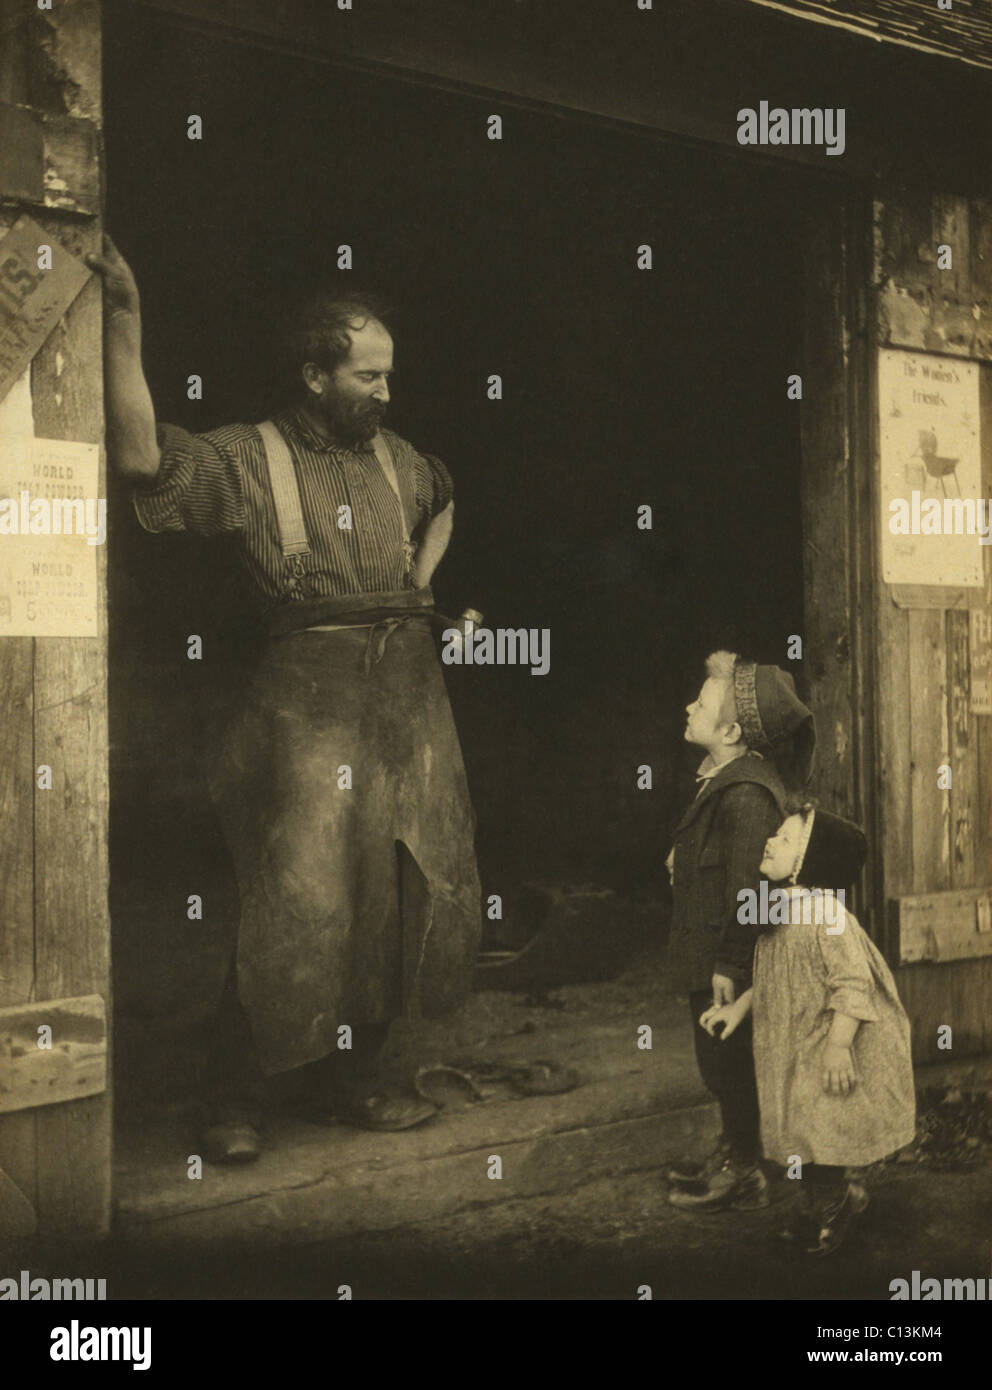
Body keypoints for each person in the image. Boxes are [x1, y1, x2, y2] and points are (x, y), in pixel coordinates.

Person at [88, 236, 482, 1162]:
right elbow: (143, 460)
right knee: (296, 897)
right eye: (369, 377)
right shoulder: (244, 460)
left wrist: (420, 591)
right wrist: (125, 315)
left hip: (407, 700)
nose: (388, 393)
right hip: (305, 707)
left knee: (389, 892)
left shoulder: (403, 461)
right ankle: (231, 1094)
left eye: (390, 376)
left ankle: (351, 1078)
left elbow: (450, 499)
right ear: (314, 374)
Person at [700, 806, 917, 1255]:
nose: (770, 841)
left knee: (821, 1128)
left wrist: (839, 1046)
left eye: (783, 839)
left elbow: (854, 983)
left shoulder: (827, 917)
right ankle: (829, 1202)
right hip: (790, 1043)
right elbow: (776, 980)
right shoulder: (779, 912)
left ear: (807, 862)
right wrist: (740, 1008)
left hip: (825, 1039)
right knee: (799, 1130)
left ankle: (831, 1209)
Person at [665, 652, 815, 1213]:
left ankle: (745, 1167)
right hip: (711, 955)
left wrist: (729, 965)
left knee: (730, 1066)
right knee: (718, 1061)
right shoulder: (725, 780)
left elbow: (754, 894)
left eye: (700, 702)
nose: (688, 705)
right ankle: (735, 1146)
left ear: (730, 731)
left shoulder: (749, 796)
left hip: (726, 963)